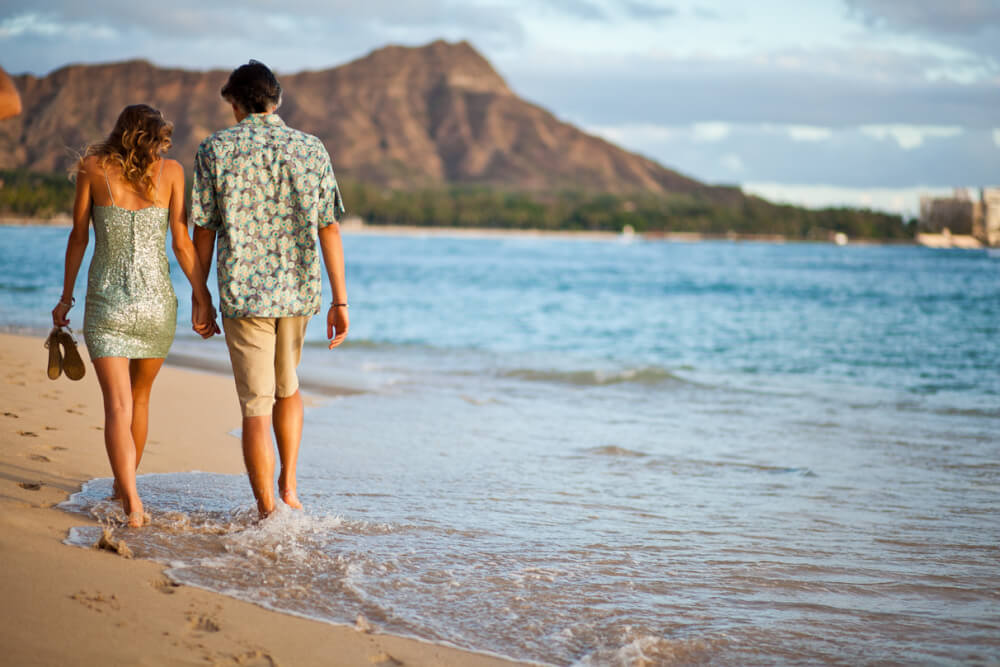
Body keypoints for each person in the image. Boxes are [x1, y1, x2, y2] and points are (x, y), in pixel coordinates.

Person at [191, 60, 348, 518]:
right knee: (288, 387)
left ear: (237, 104)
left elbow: (204, 230)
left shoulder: (215, 149)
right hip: (298, 292)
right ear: (277, 100)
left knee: (256, 404)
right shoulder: (310, 148)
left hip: (245, 295)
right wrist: (340, 300)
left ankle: (266, 511)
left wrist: (200, 295)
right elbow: (329, 229)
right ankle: (290, 485)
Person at [53, 105, 218, 527]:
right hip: (156, 304)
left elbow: (78, 237)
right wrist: (202, 296)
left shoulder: (93, 168)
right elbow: (182, 242)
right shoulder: (174, 173)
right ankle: (124, 489)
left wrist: (66, 298)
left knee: (117, 405)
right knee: (140, 400)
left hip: (107, 301)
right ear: (156, 137)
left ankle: (131, 500)